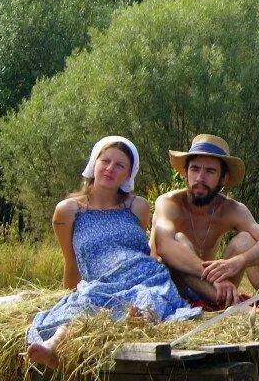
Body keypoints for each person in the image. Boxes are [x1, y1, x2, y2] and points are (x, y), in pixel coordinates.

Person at [25, 136, 199, 368]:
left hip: (144, 274)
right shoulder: (68, 211)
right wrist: (68, 294)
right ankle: (52, 346)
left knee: (146, 300)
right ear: (93, 164)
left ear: (128, 175)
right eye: (105, 161)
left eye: (120, 165)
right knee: (86, 305)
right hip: (102, 281)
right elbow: (71, 261)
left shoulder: (137, 207)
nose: (110, 169)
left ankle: (138, 323)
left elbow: (139, 249)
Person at [150, 134, 259, 311]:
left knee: (247, 240)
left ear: (223, 179)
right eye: (195, 169)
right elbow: (164, 247)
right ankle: (237, 308)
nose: (199, 178)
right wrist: (212, 276)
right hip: (175, 287)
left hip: (216, 289)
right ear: (185, 173)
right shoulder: (169, 203)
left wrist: (237, 262)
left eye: (210, 171)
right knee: (179, 239)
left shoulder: (232, 209)